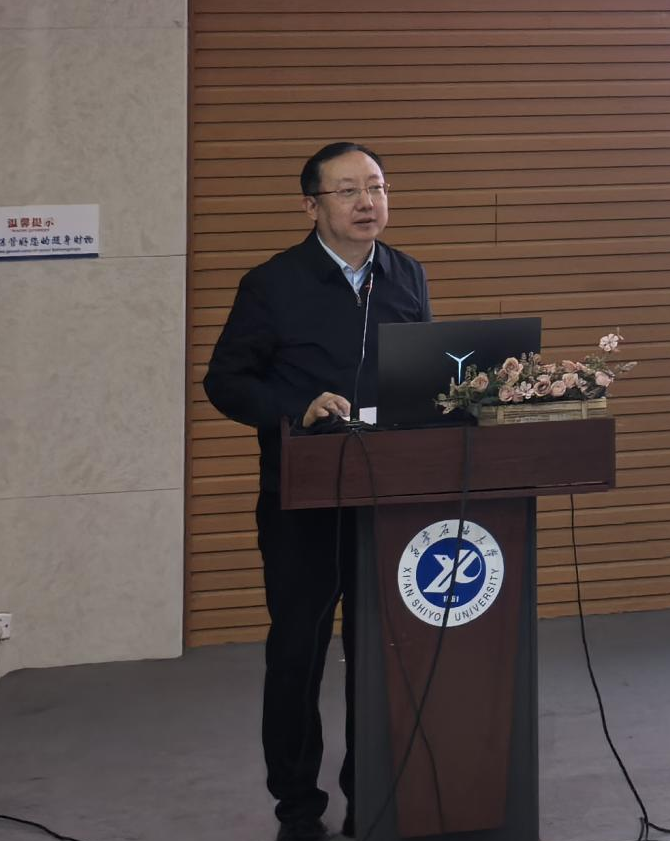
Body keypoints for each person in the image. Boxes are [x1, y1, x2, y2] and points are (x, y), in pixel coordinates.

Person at [204, 142, 431, 841]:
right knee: (298, 654)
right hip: (301, 500)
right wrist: (295, 407)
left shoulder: (406, 274)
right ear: (311, 205)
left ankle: (371, 794)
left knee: (379, 652)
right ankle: (298, 807)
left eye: (377, 187)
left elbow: (421, 373)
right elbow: (225, 381)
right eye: (348, 191)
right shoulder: (272, 283)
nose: (367, 203)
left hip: (386, 497)